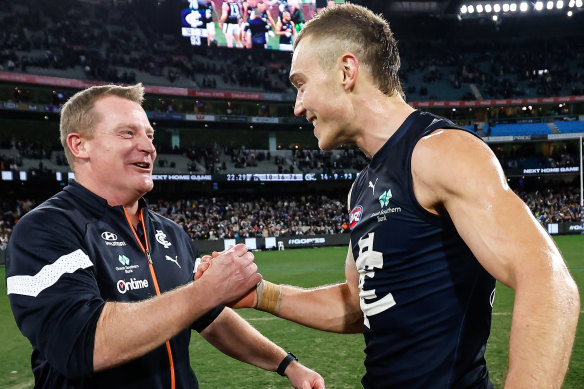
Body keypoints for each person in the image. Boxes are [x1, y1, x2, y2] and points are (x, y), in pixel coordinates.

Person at [199, 4, 580, 389]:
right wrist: (262, 294)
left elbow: (547, 280)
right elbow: (361, 304)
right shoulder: (362, 186)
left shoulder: (440, 153)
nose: (298, 106)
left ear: (346, 71)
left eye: (301, 85)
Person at [5, 84, 325, 389]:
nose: (148, 147)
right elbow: (80, 344)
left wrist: (287, 365)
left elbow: (212, 318)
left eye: (149, 135)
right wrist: (206, 290)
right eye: (127, 133)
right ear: (80, 145)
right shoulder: (45, 229)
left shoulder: (169, 233)